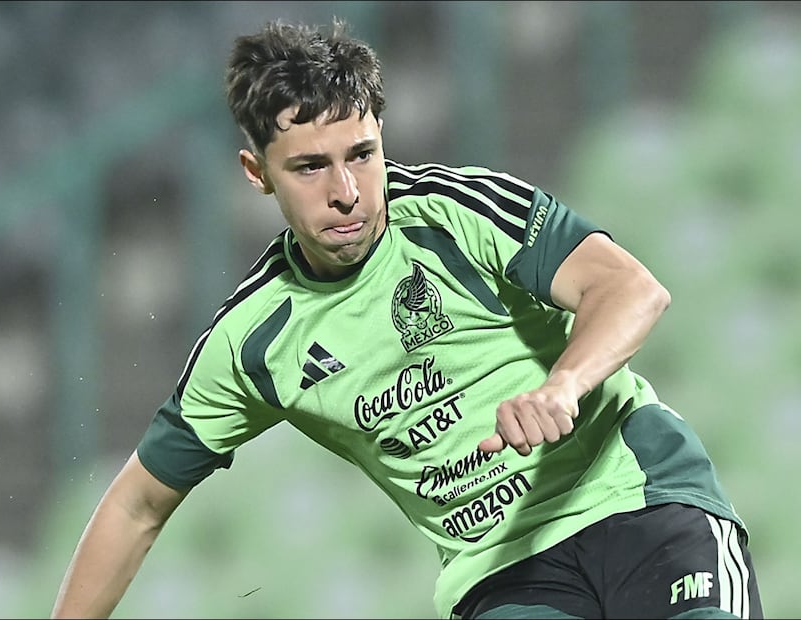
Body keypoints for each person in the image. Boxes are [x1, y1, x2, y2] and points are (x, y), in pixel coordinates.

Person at [50, 17, 763, 620]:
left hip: (639, 499)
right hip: (502, 572)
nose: (347, 191)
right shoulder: (252, 341)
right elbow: (136, 506)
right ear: (256, 172)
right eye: (310, 167)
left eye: (362, 155)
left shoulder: (456, 213)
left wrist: (562, 386)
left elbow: (631, 288)